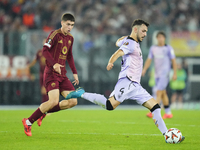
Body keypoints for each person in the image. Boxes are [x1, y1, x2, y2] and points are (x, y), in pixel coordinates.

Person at [65, 19, 184, 143]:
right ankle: (82, 93)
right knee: (109, 105)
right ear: (135, 30)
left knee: (156, 107)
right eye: (143, 31)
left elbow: (118, 42)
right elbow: (118, 52)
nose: (145, 34)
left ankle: (167, 135)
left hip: (136, 86)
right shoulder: (131, 43)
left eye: (146, 32)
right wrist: (110, 62)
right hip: (127, 82)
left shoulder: (130, 41)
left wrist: (123, 39)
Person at [22, 13, 79, 136]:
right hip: (51, 73)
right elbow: (45, 50)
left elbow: (69, 56)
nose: (70, 27)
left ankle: (44, 111)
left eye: (72, 25)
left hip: (62, 75)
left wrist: (74, 72)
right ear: (62, 23)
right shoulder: (54, 34)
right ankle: (28, 121)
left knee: (73, 101)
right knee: (53, 101)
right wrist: (54, 64)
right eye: (68, 24)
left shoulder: (70, 38)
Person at [142, 31, 177, 119]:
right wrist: (145, 69)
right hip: (157, 74)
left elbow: (173, 61)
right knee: (163, 93)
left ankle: (153, 111)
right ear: (157, 38)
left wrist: (175, 73)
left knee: (158, 92)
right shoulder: (153, 48)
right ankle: (168, 112)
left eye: (162, 37)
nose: (160, 39)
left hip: (165, 74)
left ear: (164, 38)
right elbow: (149, 59)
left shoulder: (168, 48)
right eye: (159, 37)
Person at [27, 38, 48, 126]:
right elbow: (34, 62)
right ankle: (43, 110)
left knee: (48, 93)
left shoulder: (52, 52)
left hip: (50, 75)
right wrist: (28, 67)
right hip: (42, 75)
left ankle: (44, 110)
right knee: (44, 91)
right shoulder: (39, 52)